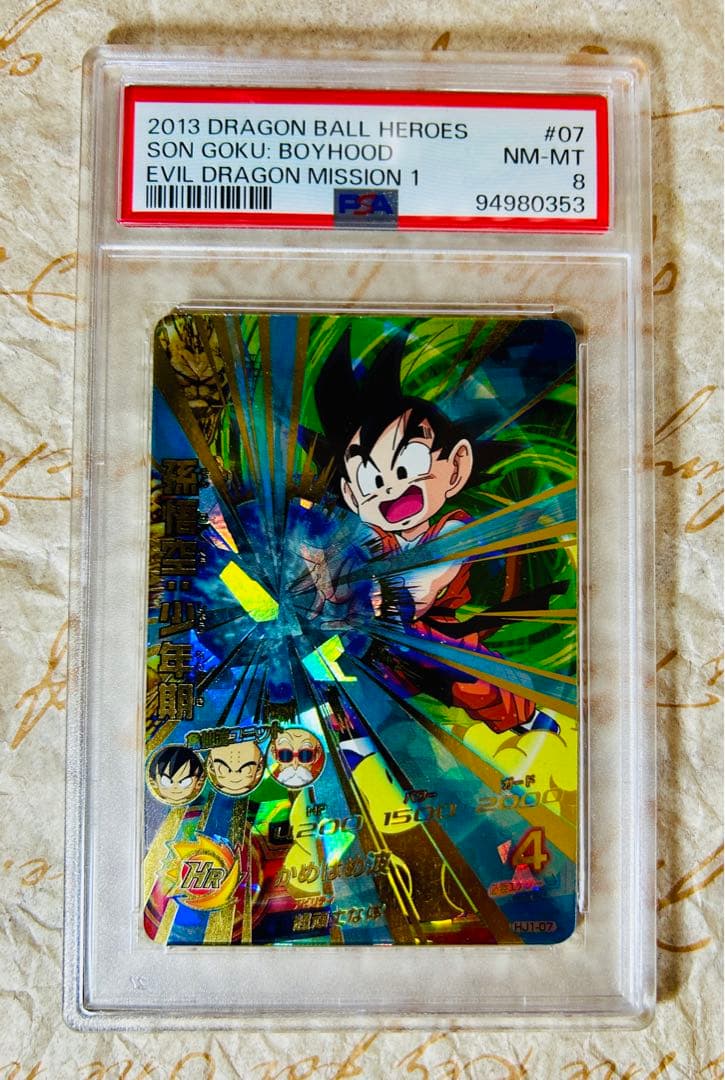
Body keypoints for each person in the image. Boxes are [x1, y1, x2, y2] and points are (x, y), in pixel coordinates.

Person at [311, 326, 558, 735]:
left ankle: (526, 718)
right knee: (333, 671)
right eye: (371, 479)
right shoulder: (366, 534)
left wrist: (371, 594)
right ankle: (345, 734)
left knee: (478, 680)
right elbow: (340, 567)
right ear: (352, 495)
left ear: (456, 466)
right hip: (374, 643)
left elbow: (424, 586)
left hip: (438, 636)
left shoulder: (453, 529)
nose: (390, 488)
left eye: (407, 466)